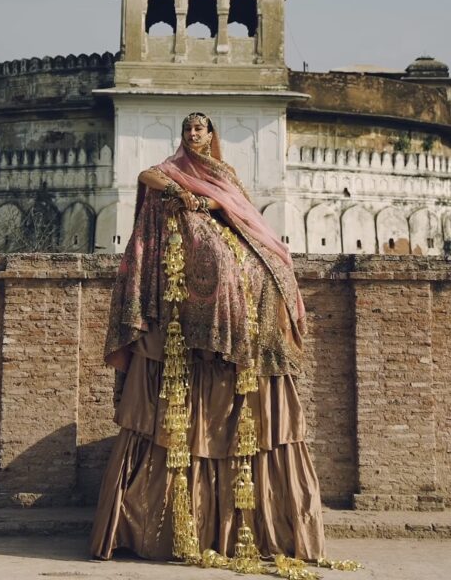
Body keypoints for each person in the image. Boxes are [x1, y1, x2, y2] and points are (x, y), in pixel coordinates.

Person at [90, 112, 326, 568]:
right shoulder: (173, 167)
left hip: (215, 235)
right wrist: (181, 192)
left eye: (200, 129)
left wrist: (211, 205)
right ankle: (215, 329)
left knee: (259, 265)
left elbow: (240, 211)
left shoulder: (224, 175)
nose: (193, 134)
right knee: (210, 258)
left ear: (213, 135)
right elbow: (145, 176)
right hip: (182, 256)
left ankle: (236, 333)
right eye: (187, 129)